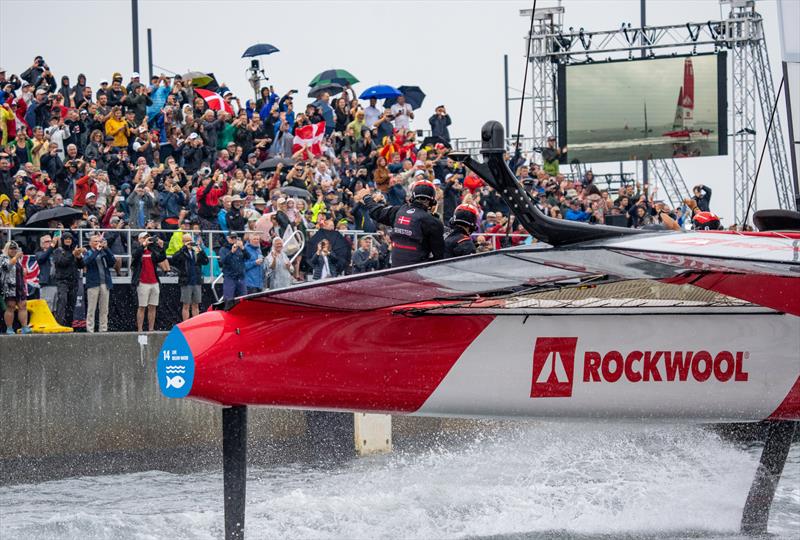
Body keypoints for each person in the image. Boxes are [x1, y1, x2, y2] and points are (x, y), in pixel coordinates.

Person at [355, 180, 444, 267]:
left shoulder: (398, 211)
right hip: (418, 274)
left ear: (413, 196)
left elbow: (376, 212)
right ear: (432, 200)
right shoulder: (433, 222)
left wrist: (367, 197)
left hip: (396, 272)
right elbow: (440, 256)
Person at [131, 231, 166, 332]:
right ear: (139, 239)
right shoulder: (137, 248)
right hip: (142, 282)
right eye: (144, 237)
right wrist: (143, 245)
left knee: (153, 307)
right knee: (142, 306)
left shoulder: (152, 249)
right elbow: (135, 255)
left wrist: (161, 247)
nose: (147, 239)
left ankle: (151, 329)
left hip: (154, 281)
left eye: (148, 237)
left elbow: (161, 258)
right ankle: (140, 329)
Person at [170, 233, 209, 320]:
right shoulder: (181, 252)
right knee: (186, 305)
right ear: (183, 242)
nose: (189, 242)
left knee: (196, 305)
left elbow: (206, 261)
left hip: (196, 281)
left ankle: (195, 325)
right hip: (186, 281)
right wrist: (184, 248)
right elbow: (173, 259)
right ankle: (185, 325)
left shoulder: (196, 251)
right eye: (187, 241)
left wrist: (200, 251)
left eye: (190, 240)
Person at [83, 233, 115, 333]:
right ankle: (90, 329)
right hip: (93, 283)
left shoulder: (103, 252)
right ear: (90, 243)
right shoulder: (88, 253)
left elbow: (112, 261)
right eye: (95, 241)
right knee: (91, 308)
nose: (98, 243)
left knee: (104, 308)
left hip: (105, 283)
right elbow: (86, 262)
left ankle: (103, 329)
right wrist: (96, 250)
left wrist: (106, 249)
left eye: (99, 241)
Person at [53, 232, 84, 328]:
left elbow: (82, 266)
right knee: (62, 301)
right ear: (62, 240)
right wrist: (73, 255)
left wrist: (79, 258)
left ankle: (69, 326)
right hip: (63, 281)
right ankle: (59, 324)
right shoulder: (58, 251)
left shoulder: (74, 251)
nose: (68, 240)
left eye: (70, 239)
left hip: (74, 281)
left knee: (71, 304)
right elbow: (61, 262)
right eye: (66, 238)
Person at [1, 241, 32, 334]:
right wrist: (16, 257)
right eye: (11, 248)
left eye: (15, 249)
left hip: (20, 286)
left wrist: (23, 271)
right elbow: (7, 267)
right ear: (7, 249)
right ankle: (9, 328)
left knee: (23, 306)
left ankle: (24, 327)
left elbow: (17, 270)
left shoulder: (17, 259)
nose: (13, 250)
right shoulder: (3, 258)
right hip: (9, 287)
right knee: (11, 307)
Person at [218, 232, 250, 307]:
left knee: (243, 300)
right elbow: (223, 261)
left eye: (235, 238)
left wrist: (243, 248)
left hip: (240, 278)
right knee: (228, 300)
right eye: (232, 238)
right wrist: (231, 252)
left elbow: (248, 257)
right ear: (228, 238)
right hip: (230, 278)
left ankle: (242, 316)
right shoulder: (223, 249)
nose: (233, 239)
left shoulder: (240, 248)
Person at [35, 234, 58, 311]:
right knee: (47, 308)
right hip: (46, 284)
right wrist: (51, 246)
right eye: (47, 241)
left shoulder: (55, 253)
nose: (49, 243)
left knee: (56, 308)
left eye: (50, 241)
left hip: (57, 283)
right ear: (42, 244)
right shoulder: (39, 253)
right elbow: (42, 258)